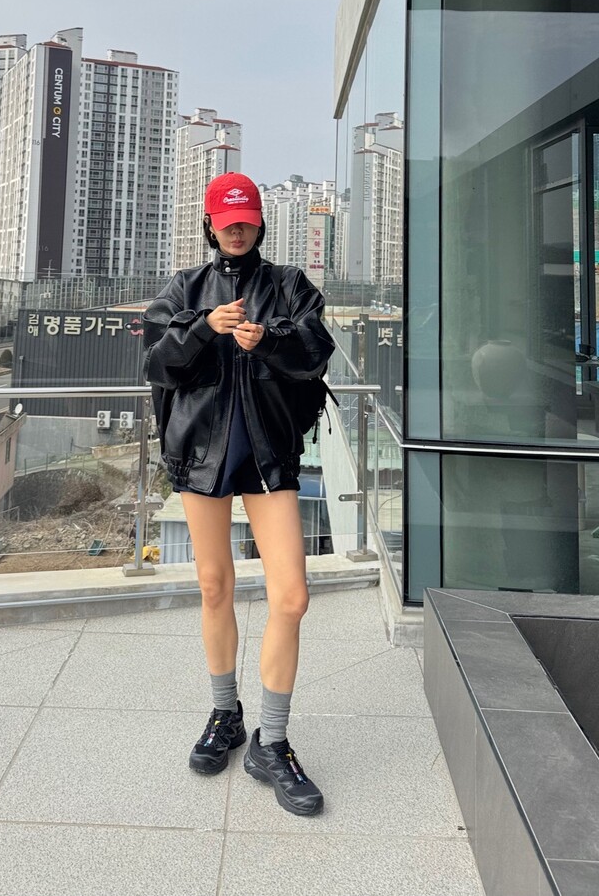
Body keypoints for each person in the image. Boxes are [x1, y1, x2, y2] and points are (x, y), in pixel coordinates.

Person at [142, 172, 334, 816]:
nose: (237, 230)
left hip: (269, 453)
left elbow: (316, 350)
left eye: (246, 219)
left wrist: (269, 339)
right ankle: (225, 714)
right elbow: (156, 362)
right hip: (202, 453)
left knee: (292, 596)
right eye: (227, 222)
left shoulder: (289, 285)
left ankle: (271, 742)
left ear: (259, 222)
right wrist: (204, 328)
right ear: (210, 225)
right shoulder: (185, 288)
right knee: (213, 585)